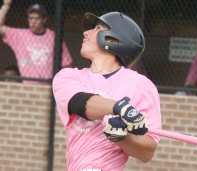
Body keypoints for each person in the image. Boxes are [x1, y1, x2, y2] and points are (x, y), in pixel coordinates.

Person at [52, 11, 162, 171]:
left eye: (97, 28)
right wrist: (120, 108)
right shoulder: (68, 77)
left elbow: (147, 152)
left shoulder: (142, 87)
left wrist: (121, 138)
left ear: (112, 39)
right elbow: (81, 104)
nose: (85, 32)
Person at [0, 0, 73, 85]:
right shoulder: (20, 35)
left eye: (36, 18)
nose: (33, 21)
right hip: (27, 86)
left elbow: (67, 65)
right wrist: (6, 5)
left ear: (44, 20)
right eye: (30, 18)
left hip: (48, 86)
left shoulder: (54, 37)